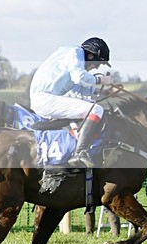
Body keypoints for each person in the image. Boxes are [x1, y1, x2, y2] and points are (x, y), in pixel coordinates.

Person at [29, 37, 115, 168]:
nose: (95, 68)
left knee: (89, 108)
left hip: (44, 99)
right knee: (95, 110)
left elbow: (77, 87)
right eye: (97, 63)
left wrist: (102, 92)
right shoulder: (76, 53)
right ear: (91, 55)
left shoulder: (70, 56)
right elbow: (79, 77)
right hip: (45, 99)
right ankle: (80, 152)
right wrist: (100, 79)